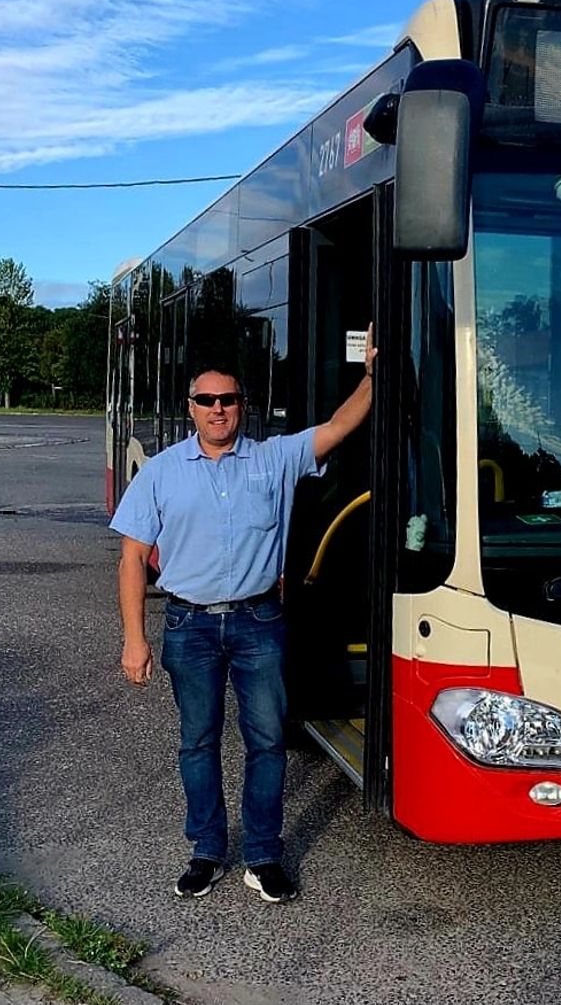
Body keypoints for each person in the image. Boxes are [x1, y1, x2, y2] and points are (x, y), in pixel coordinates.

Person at [113, 327, 376, 904]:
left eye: (227, 399)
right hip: (190, 624)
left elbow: (336, 428)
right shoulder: (160, 471)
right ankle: (206, 852)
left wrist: (372, 376)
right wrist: (135, 640)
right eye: (206, 400)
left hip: (260, 623)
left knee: (265, 742)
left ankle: (262, 855)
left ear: (242, 406)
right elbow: (132, 558)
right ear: (191, 409)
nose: (217, 410)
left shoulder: (274, 458)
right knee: (198, 743)